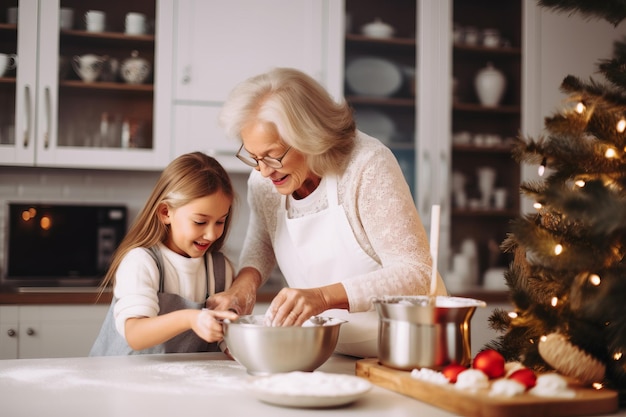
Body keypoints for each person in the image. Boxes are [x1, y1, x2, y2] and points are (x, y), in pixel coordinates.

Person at [207, 67, 447, 358]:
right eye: (254, 157)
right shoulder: (264, 182)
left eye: (273, 155)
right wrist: (242, 288)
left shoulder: (366, 165)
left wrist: (322, 297)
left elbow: (416, 274)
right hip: (331, 351)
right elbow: (262, 243)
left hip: (408, 348)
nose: (264, 170)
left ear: (310, 137)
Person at [90, 152, 239, 356]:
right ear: (165, 213)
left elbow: (226, 339)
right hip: (124, 380)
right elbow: (135, 334)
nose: (212, 234)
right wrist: (191, 319)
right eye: (200, 222)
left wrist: (235, 344)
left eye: (220, 221)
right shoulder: (141, 262)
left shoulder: (220, 270)